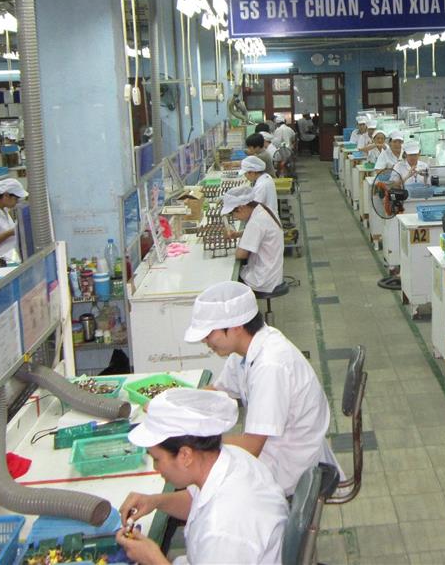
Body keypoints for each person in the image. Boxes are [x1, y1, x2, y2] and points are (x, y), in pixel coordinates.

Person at [184, 281, 341, 496]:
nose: (205, 340)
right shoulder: (246, 349)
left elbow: (251, 447)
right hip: (276, 448)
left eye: (209, 333)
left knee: (200, 484)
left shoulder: (270, 365)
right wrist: (174, 406)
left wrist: (193, 443)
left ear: (236, 326)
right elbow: (218, 391)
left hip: (289, 467)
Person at [116, 388, 287, 565]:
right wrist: (155, 502)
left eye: (157, 459)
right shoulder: (230, 457)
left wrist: (153, 558)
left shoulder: (223, 529)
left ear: (185, 455)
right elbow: (198, 502)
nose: (156, 468)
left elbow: (215, 521)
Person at [222, 187, 284, 295]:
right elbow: (262, 232)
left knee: (226, 282)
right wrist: (238, 234)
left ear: (241, 208)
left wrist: (240, 244)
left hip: (262, 280)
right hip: (273, 274)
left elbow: (240, 255)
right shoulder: (263, 209)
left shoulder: (256, 222)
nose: (235, 218)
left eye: (233, 214)